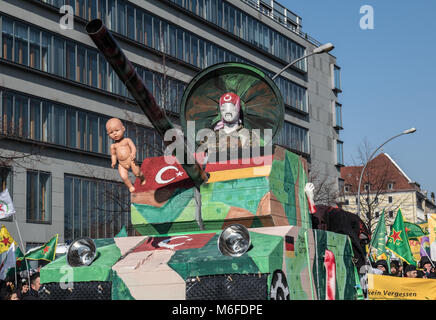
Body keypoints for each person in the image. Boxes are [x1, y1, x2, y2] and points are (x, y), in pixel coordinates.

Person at [106, 118, 146, 192]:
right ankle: (130, 186)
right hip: (121, 164)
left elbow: (133, 147)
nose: (114, 133)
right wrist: (113, 162)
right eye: (111, 132)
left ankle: (142, 178)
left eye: (117, 130)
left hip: (130, 160)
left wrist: (133, 154)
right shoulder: (113, 146)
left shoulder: (127, 140)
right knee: (124, 176)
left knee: (137, 173)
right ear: (108, 135)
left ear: (123, 128)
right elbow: (113, 155)